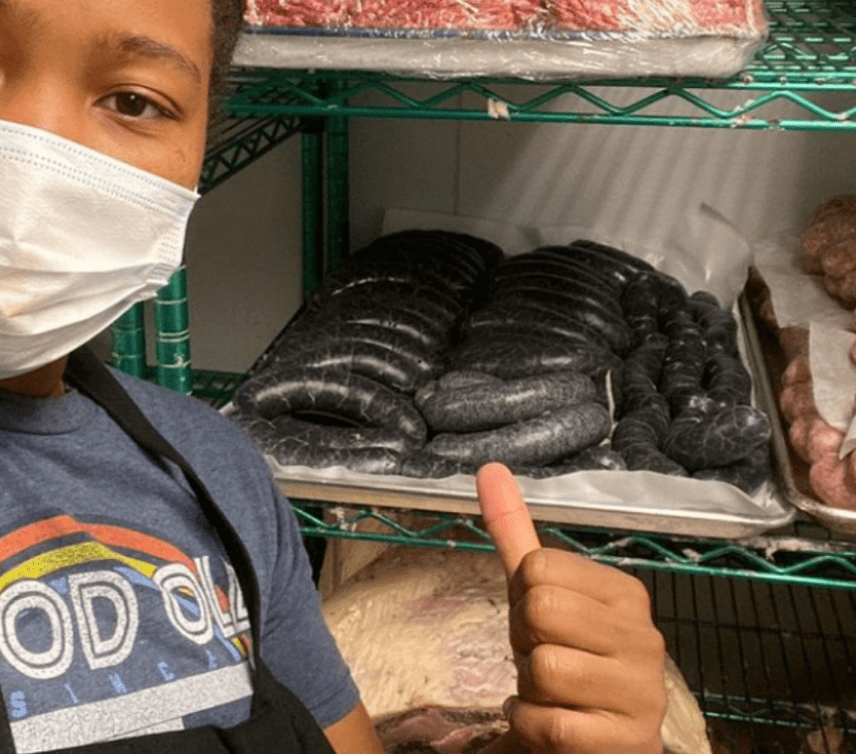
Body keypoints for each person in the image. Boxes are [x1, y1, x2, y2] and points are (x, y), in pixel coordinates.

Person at [0, 1, 667, 752]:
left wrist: (542, 745)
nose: (35, 147)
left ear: (194, 158)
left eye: (134, 101)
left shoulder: (215, 469)